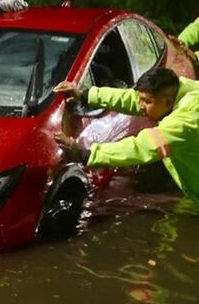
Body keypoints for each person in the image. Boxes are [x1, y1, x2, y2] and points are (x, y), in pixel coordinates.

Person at [53, 67, 199, 205]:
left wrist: (86, 154)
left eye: (146, 102)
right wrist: (86, 95)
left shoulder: (187, 121)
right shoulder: (180, 91)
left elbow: (143, 147)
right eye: (141, 99)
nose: (140, 105)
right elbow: (131, 98)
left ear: (167, 101)